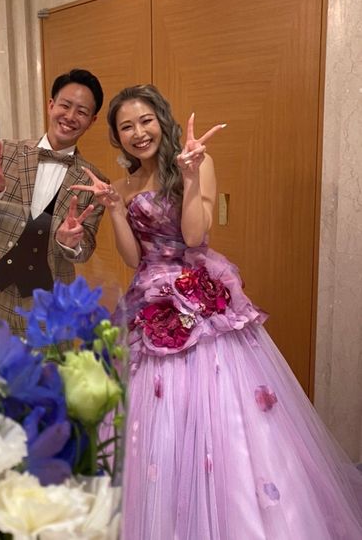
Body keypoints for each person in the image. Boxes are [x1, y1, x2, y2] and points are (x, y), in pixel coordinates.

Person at [72, 84, 362, 539]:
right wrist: (113, 210)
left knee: (219, 411)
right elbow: (132, 258)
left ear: (162, 120)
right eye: (126, 126)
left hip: (197, 297)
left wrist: (189, 178)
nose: (138, 132)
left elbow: (194, 237)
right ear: (117, 136)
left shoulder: (197, 163)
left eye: (145, 120)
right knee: (154, 417)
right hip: (147, 301)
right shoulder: (124, 186)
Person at [0, 69, 108, 336]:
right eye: (65, 105)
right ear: (51, 105)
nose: (70, 116)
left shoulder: (94, 180)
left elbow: (86, 250)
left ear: (92, 121)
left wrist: (70, 241)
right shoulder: (8, 153)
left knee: (52, 360)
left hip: (50, 297)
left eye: (81, 111)